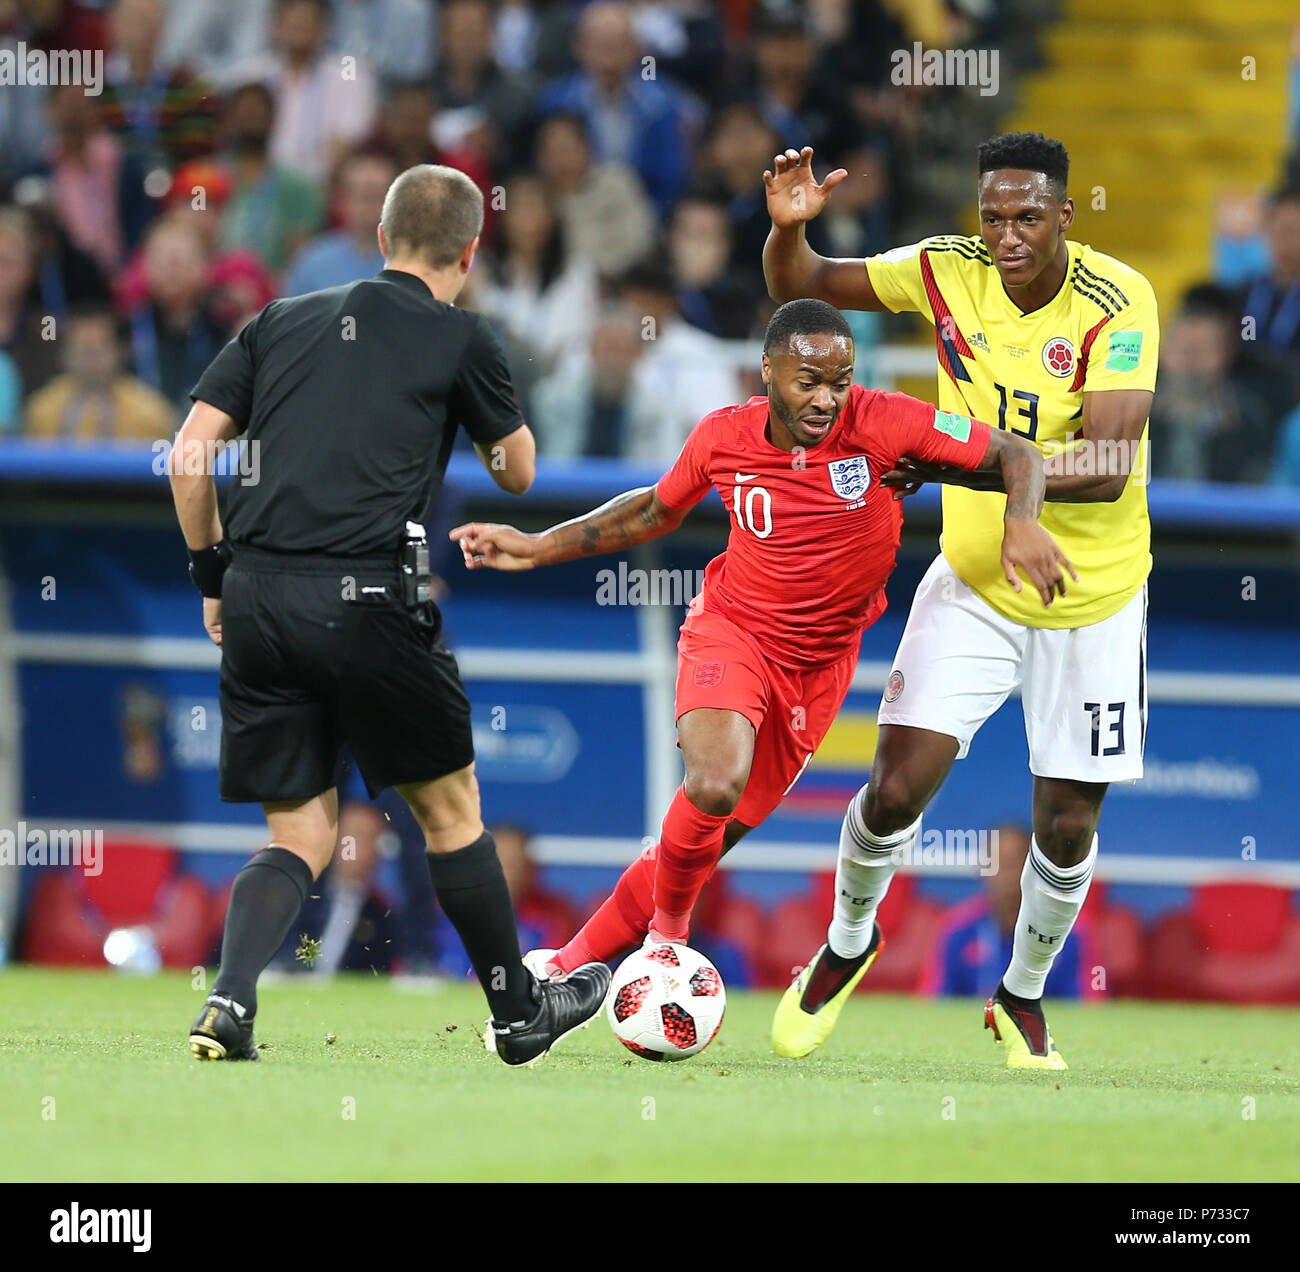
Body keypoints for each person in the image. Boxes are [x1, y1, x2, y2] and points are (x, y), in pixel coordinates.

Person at [450, 297, 1067, 989]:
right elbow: (656, 507)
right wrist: (536, 547)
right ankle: (665, 944)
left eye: (840, 381)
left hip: (820, 669)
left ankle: (561, 970)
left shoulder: (886, 419)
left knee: (701, 842)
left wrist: (1018, 520)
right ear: (767, 371)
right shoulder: (724, 436)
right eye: (810, 381)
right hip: (733, 633)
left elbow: (1018, 456)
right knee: (712, 784)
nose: (828, 399)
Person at [170, 163, 608, 1067]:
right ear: (470, 249)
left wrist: (214, 577)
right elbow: (519, 472)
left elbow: (187, 457)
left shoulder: (279, 319)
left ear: (380, 237)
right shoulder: (460, 336)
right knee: (451, 812)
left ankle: (230, 997)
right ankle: (518, 1012)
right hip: (369, 594)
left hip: (255, 594)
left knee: (298, 833)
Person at [762, 132, 1158, 1070]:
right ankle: (848, 944)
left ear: (1065, 214)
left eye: (1028, 216)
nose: (1008, 234)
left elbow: (1107, 462)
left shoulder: (1118, 297)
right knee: (895, 788)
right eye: (993, 216)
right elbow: (804, 280)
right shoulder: (946, 269)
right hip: (976, 582)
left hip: (1090, 596)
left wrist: (1013, 497)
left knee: (1066, 824)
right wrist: (784, 231)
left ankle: (1020, 997)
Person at [920, 823, 1097, 1000]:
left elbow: (1089, 1006)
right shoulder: (956, 930)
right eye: (999, 864)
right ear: (982, 869)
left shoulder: (1069, 931)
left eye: (1015, 863)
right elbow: (934, 1002)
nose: (1009, 874)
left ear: (1035, 870)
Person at [25, 303, 174, 441]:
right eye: (85, 350)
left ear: (119, 351)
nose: (93, 360)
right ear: (64, 355)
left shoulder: (150, 413)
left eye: (101, 349)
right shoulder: (41, 409)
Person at [283, 149, 395, 295]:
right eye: (363, 196)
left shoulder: (414, 262)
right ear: (342, 200)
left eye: (377, 196)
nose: (369, 206)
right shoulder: (312, 261)